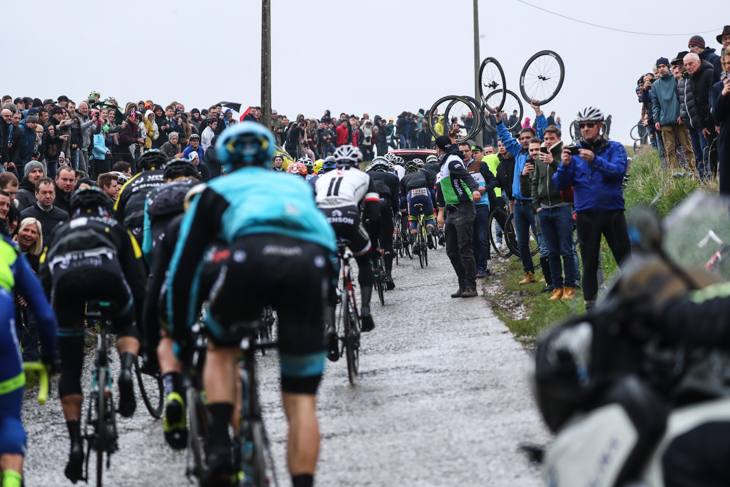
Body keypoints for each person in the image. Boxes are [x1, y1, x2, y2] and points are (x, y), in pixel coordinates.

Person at [167, 122, 336, 487]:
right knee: (302, 400)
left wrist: (180, 335)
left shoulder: (214, 189)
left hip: (251, 258)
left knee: (221, 348)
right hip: (310, 263)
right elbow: (327, 242)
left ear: (224, 156)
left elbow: (184, 271)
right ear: (269, 153)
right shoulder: (295, 185)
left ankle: (217, 449)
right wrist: (330, 297)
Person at [39, 186, 147, 482]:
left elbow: (43, 275)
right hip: (107, 276)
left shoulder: (61, 228)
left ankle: (75, 444)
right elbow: (137, 279)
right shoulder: (116, 226)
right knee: (126, 324)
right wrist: (141, 324)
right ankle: (126, 370)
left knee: (72, 368)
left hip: (67, 284)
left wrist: (52, 324)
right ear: (105, 209)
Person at [141, 159, 201, 450]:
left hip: (167, 268)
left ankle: (174, 388)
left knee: (168, 333)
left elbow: (145, 247)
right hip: (206, 264)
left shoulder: (154, 196)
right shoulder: (204, 189)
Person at [553, 107, 631, 311]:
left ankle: (636, 305)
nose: (585, 129)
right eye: (582, 126)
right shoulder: (574, 152)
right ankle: (591, 313)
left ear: (600, 126)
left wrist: (595, 161)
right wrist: (563, 164)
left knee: (627, 263)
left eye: (589, 125)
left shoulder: (615, 148)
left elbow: (618, 171)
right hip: (586, 215)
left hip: (613, 213)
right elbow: (560, 185)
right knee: (588, 266)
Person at [0, 233, 57, 487]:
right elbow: (44, 314)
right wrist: (48, 357)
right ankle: (12, 479)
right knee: (9, 418)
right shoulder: (8, 250)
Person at [315, 144, 380, 331]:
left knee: (327, 265)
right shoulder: (364, 177)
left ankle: (329, 327)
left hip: (322, 219)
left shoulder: (322, 178)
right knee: (363, 260)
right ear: (357, 164)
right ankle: (365, 310)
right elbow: (374, 214)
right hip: (349, 216)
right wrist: (372, 246)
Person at [496, 101, 547, 285]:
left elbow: (543, 133)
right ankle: (529, 273)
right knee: (522, 242)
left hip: (534, 204)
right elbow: (506, 138)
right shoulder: (517, 151)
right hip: (518, 204)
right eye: (522, 138)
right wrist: (499, 121)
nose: (524, 140)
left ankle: (546, 272)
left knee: (541, 241)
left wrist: (538, 113)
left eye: (527, 137)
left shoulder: (538, 152)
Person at [528, 126, 577, 300]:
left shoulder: (564, 156)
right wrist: (536, 206)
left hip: (562, 207)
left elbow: (571, 177)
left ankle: (570, 287)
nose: (547, 141)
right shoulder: (540, 159)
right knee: (552, 251)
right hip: (544, 210)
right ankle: (557, 287)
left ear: (559, 138)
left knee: (567, 250)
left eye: (551, 138)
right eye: (545, 138)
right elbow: (534, 183)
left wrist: (553, 162)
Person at [434, 135, 481, 298]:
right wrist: (452, 137)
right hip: (452, 210)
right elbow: (453, 148)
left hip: (464, 208)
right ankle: (462, 285)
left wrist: (474, 189)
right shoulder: (449, 157)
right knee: (452, 251)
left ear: (438, 149)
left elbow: (465, 175)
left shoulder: (452, 161)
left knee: (464, 249)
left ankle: (471, 286)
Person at [113, 150, 169, 246]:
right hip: (164, 227)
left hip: (135, 228)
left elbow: (117, 214)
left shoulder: (130, 182)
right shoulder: (170, 178)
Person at [652, 57, 696, 170]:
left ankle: (694, 171)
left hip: (679, 119)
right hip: (665, 121)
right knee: (670, 150)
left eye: (663, 66)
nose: (661, 69)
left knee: (687, 147)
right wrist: (656, 120)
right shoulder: (655, 85)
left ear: (668, 67)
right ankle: (674, 175)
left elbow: (683, 97)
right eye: (659, 67)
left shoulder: (676, 79)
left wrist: (683, 114)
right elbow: (655, 104)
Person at [463, 144, 498, 278]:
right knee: (470, 239)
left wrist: (486, 188)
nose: (464, 153)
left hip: (482, 204)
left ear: (471, 152)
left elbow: (494, 181)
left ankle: (482, 267)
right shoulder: (458, 167)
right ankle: (475, 265)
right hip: (466, 207)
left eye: (467, 151)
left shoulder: (480, 165)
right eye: (462, 152)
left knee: (481, 237)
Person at [366, 157, 399, 289]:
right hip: (386, 205)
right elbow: (396, 200)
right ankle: (388, 275)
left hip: (369, 205)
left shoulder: (366, 176)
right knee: (387, 242)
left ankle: (371, 269)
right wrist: (396, 214)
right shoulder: (393, 177)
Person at [684, 52, 717, 179]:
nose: (688, 67)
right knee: (710, 153)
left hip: (715, 119)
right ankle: (712, 182)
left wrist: (716, 121)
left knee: (716, 152)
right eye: (686, 65)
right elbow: (696, 103)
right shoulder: (692, 78)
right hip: (705, 122)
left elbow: (714, 97)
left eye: (690, 64)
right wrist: (702, 125)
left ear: (699, 62)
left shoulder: (709, 73)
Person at [400, 159, 437, 255]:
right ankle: (429, 234)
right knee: (429, 217)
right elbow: (432, 192)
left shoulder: (404, 179)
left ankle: (415, 241)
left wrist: (406, 208)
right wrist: (435, 204)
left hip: (412, 195)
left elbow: (403, 198)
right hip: (425, 192)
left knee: (413, 220)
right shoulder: (424, 173)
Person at [19, 178, 68, 246]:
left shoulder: (63, 216)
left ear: (55, 194)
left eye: (50, 192)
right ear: (36, 194)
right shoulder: (25, 216)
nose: (48, 196)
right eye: (44, 193)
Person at [712, 47, 730, 193]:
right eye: (727, 62)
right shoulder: (718, 87)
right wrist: (723, 95)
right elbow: (717, 116)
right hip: (727, 137)